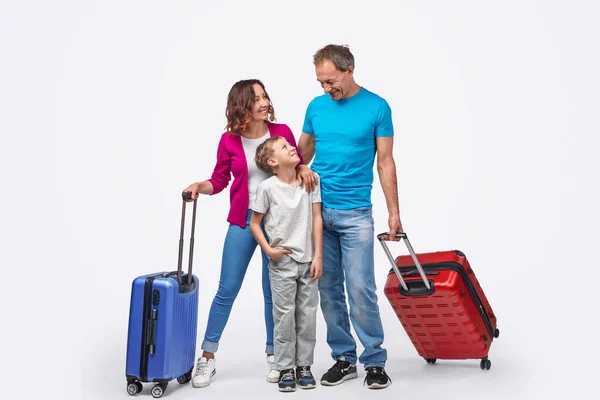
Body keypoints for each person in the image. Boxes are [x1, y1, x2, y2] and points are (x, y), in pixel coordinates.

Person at [183, 79, 305, 388]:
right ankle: (207, 357)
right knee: (227, 290)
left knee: (273, 293)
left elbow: (296, 166)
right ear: (242, 106)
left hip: (278, 224)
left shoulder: (282, 132)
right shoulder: (229, 140)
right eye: (256, 98)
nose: (264, 102)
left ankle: (275, 355)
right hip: (242, 221)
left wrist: (303, 169)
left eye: (265, 95)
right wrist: (200, 186)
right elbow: (219, 180)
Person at [296, 44, 403, 390]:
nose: (326, 89)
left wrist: (394, 214)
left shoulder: (377, 107)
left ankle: (374, 360)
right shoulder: (316, 107)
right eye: (320, 83)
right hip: (316, 212)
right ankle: (344, 358)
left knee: (360, 288)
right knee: (328, 290)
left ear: (349, 69)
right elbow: (301, 154)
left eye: (329, 81)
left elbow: (385, 162)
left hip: (356, 213)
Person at [249, 136, 323, 392]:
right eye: (284, 148)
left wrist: (318, 256)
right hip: (282, 262)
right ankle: (285, 368)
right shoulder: (267, 188)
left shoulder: (311, 182)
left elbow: (316, 219)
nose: (292, 147)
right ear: (273, 162)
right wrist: (269, 250)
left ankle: (304, 366)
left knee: (307, 316)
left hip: (308, 261)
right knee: (284, 317)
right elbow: (255, 223)